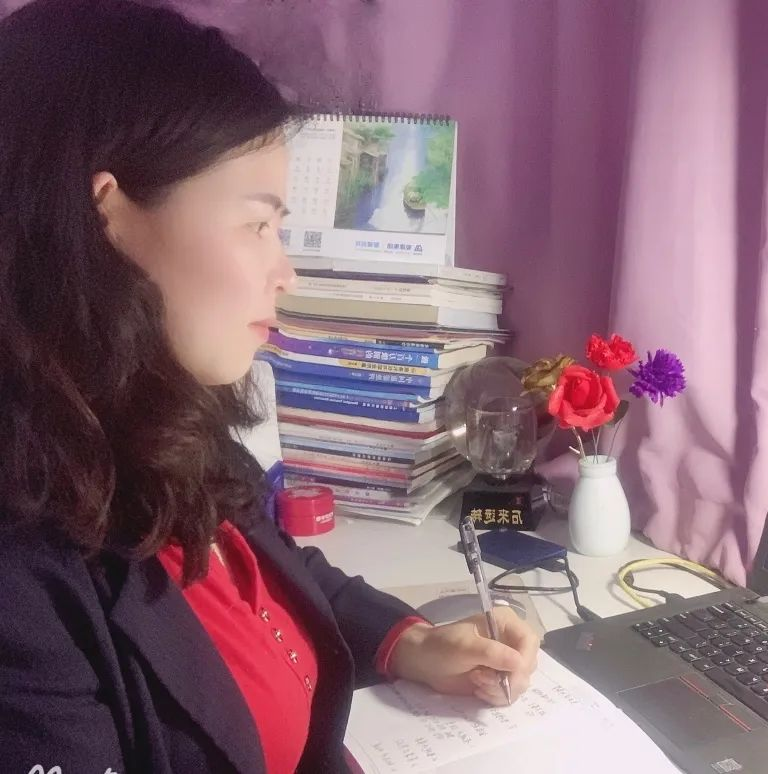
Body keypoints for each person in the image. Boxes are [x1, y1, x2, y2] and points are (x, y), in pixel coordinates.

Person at [0, 2, 539, 772]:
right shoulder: (22, 580)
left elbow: (274, 575)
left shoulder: (165, 428)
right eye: (258, 225)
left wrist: (411, 642)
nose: (285, 272)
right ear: (107, 214)